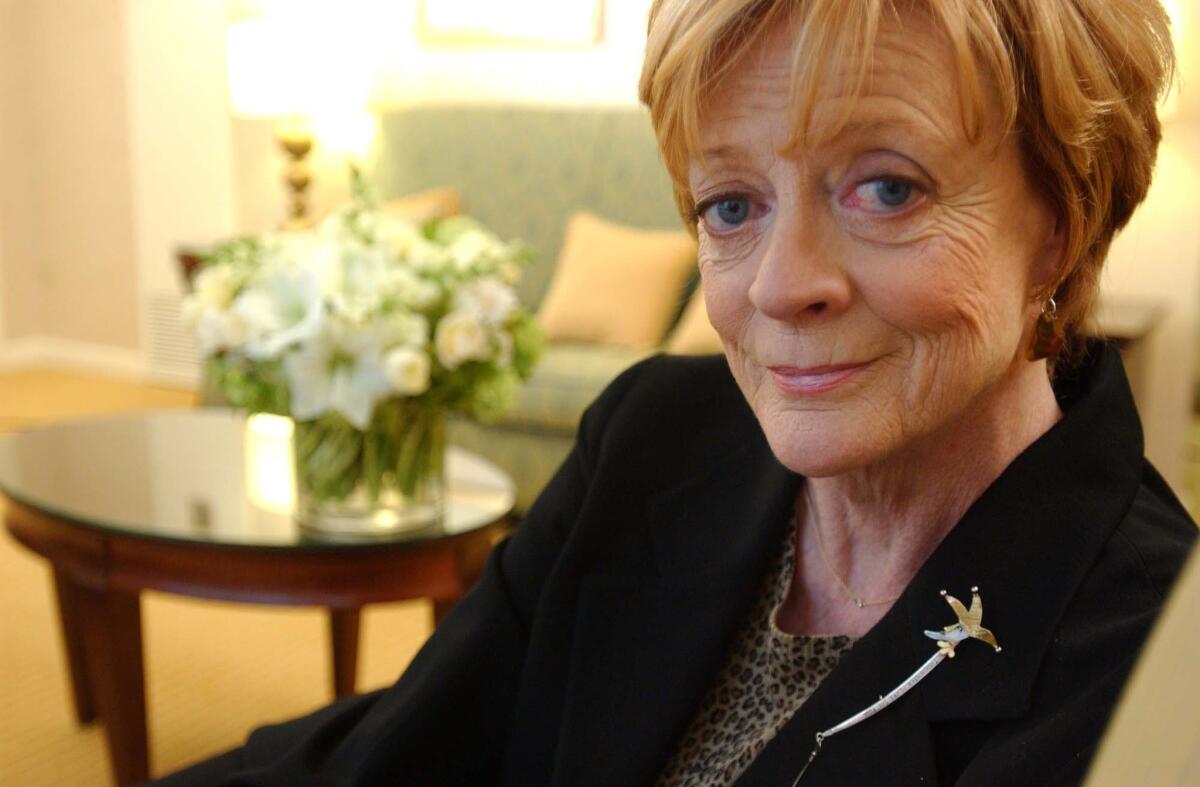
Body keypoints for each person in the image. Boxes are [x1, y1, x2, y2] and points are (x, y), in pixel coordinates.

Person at [156, 0, 1196, 784]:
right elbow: (407, 745)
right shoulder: (656, 433)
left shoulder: (1157, 668)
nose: (783, 283)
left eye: (888, 187)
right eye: (730, 203)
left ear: (1061, 219)